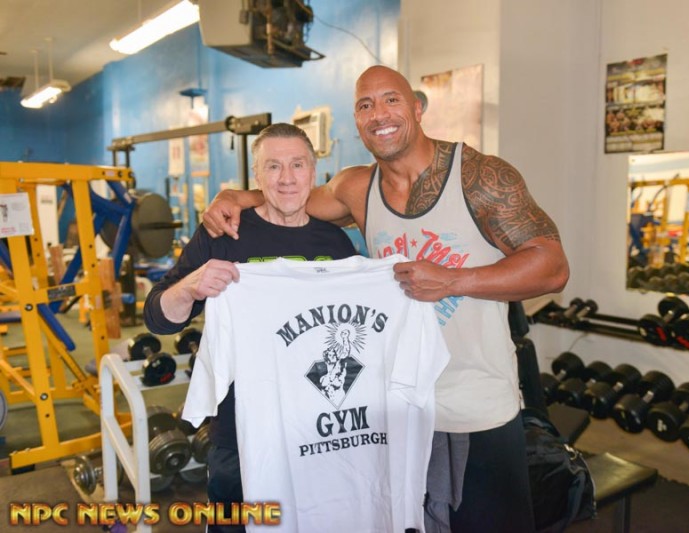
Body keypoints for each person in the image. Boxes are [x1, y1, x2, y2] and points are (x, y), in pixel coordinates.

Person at [202, 65, 570, 532]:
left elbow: (553, 267)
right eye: (365, 105)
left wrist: (452, 281)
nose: (379, 114)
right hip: (397, 409)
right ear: (357, 121)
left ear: (416, 108)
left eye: (391, 100)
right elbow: (291, 196)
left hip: (476, 407)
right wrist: (238, 195)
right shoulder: (356, 188)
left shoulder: (480, 176)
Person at [143, 123, 357, 533]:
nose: (287, 178)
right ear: (256, 176)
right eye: (273, 166)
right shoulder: (224, 234)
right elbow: (157, 317)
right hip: (240, 431)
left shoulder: (336, 244)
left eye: (297, 165)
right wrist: (189, 288)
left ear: (314, 172)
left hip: (318, 427)